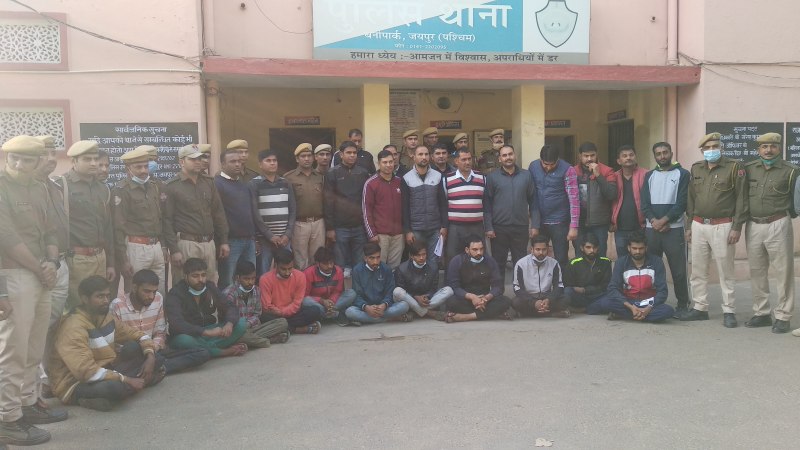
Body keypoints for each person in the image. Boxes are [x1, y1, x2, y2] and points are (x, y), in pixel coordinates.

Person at [0, 136, 64, 446]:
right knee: (13, 350)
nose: (19, 164)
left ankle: (26, 404)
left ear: (38, 161)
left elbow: (51, 230)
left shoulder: (39, 188)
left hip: (41, 273)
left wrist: (52, 262)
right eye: (14, 158)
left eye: (27, 159)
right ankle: (7, 418)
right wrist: (41, 268)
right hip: (14, 273)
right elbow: (6, 237)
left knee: (33, 347)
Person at [50, 276, 166, 412]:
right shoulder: (73, 327)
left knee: (154, 358)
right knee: (115, 388)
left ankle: (125, 390)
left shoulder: (105, 317)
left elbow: (138, 335)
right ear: (85, 299)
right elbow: (86, 372)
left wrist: (150, 357)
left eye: (107, 296)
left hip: (104, 370)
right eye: (100, 296)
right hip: (75, 383)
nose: (106, 300)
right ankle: (140, 383)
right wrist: (126, 379)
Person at [681, 132, 748, 328]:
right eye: (708, 148)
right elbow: (691, 198)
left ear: (721, 147)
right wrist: (689, 225)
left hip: (723, 225)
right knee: (698, 270)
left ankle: (729, 310)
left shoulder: (734, 167)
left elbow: (741, 199)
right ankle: (700, 308)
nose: (712, 150)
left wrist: (737, 227)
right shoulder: (696, 168)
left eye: (715, 146)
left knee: (725, 271)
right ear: (702, 150)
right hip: (699, 224)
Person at [744, 132, 798, 334]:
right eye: (764, 147)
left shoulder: (791, 171)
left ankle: (783, 315)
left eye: (773, 146)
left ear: (779, 148)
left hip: (778, 223)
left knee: (783, 271)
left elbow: (795, 199)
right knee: (757, 270)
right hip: (754, 225)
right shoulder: (749, 169)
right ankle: (762, 313)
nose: (768, 150)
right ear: (758, 149)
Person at [110, 269, 211, 374]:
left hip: (154, 350)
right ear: (135, 288)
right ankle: (155, 368)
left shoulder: (157, 298)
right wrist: (146, 353)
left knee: (202, 353)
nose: (151, 296)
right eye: (146, 291)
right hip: (132, 355)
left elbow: (160, 333)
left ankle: (154, 368)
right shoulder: (117, 305)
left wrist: (152, 351)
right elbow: (116, 343)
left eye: (154, 291)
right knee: (131, 346)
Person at [33, 135, 69, 399]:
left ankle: (47, 378)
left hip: (60, 262)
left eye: (53, 154)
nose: (50, 159)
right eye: (43, 154)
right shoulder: (19, 189)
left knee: (51, 323)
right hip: (35, 266)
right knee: (32, 327)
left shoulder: (56, 186)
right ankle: (32, 389)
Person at [163, 144, 230, 284]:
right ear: (182, 162)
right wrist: (174, 249)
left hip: (209, 243)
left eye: (199, 158)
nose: (198, 162)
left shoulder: (209, 182)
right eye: (193, 159)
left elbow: (218, 213)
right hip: (187, 244)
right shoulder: (171, 186)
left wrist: (224, 241)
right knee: (184, 285)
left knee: (209, 284)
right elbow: (167, 220)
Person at [61, 140, 116, 311]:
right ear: (74, 161)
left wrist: (110, 263)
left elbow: (108, 229)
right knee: (78, 307)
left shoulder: (103, 189)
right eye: (87, 159)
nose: (93, 163)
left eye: (95, 159)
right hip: (77, 259)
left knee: (100, 308)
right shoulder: (62, 185)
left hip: (100, 258)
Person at [640, 142, 691, 317]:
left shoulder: (683, 174)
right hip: (651, 229)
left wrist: (665, 220)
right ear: (654, 156)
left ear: (671, 153)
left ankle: (682, 304)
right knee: (651, 269)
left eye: (665, 152)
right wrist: (654, 221)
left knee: (678, 270)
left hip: (674, 230)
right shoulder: (649, 176)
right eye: (658, 153)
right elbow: (644, 203)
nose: (662, 156)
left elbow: (682, 202)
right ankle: (653, 302)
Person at [165, 258, 249, 357]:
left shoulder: (209, 287)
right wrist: (206, 332)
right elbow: (176, 323)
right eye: (195, 276)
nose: (200, 280)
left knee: (241, 324)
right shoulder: (175, 293)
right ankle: (221, 352)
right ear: (185, 276)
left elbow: (229, 306)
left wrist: (229, 323)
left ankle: (205, 350)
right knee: (184, 341)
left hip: (209, 332)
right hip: (189, 334)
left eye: (203, 275)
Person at [113, 145, 167, 294]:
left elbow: (160, 219)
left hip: (156, 247)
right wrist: (123, 260)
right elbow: (118, 227)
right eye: (138, 167)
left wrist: (163, 246)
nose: (144, 171)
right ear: (128, 169)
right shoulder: (121, 190)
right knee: (136, 294)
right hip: (136, 247)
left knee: (159, 293)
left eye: (146, 166)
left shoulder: (154, 187)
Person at [590, 231, 674, 322]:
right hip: (628, 301)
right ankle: (639, 315)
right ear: (629, 248)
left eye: (641, 248)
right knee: (606, 302)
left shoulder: (656, 262)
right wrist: (630, 307)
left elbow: (662, 291)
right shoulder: (621, 262)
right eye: (634, 248)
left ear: (646, 248)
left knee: (668, 311)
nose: (638, 251)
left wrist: (648, 308)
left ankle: (625, 315)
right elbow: (613, 288)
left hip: (648, 302)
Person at [485, 144, 539, 280]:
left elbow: (534, 202)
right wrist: (489, 227)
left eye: (510, 154)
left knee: (521, 263)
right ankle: (498, 292)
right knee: (498, 264)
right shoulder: (492, 177)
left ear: (515, 156)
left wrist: (535, 225)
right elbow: (487, 204)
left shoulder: (526, 175)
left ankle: (520, 291)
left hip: (520, 227)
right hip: (499, 228)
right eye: (504, 155)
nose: (508, 157)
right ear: (499, 159)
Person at [324, 141, 371, 277]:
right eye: (348, 153)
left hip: (359, 226)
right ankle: (340, 289)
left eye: (354, 153)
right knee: (339, 266)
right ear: (341, 154)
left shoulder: (363, 173)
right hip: (340, 227)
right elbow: (328, 202)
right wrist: (330, 228)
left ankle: (358, 290)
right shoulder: (332, 173)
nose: (352, 155)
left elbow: (366, 200)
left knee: (359, 266)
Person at [214, 148, 259, 288]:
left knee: (249, 279)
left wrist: (254, 238)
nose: (237, 164)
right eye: (233, 161)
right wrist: (222, 241)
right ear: (223, 164)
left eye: (239, 161)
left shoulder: (243, 184)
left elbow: (250, 213)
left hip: (249, 240)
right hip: (230, 242)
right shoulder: (217, 184)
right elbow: (217, 214)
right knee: (228, 281)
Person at [529, 145, 579, 267]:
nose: (549, 167)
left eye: (552, 164)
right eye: (545, 164)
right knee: (538, 257)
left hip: (560, 222)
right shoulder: (533, 167)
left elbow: (574, 199)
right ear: (540, 159)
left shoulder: (568, 169)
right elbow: (532, 195)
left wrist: (574, 226)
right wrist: (534, 224)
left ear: (558, 159)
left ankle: (561, 279)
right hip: (540, 221)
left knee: (561, 258)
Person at [402, 145, 448, 272]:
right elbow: (405, 207)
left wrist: (444, 226)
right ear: (414, 157)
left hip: (435, 229)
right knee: (416, 261)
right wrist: (407, 231)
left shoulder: (438, 176)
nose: (424, 157)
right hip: (416, 230)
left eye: (426, 154)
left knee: (434, 262)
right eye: (420, 154)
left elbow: (443, 203)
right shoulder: (406, 178)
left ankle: (433, 285)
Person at [445, 235, 512, 323]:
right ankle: (491, 314)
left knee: (505, 301)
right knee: (451, 302)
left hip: (485, 300)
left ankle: (465, 317)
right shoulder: (457, 261)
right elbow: (455, 287)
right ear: (467, 250)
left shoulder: (490, 261)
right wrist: (472, 297)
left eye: (481, 249)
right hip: (466, 299)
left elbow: (498, 286)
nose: (479, 252)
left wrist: (486, 298)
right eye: (475, 249)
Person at [221, 261, 290, 346]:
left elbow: (257, 315)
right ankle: (268, 340)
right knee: (238, 337)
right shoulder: (229, 294)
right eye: (246, 279)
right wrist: (242, 327)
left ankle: (251, 341)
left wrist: (247, 325)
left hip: (252, 328)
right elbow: (227, 320)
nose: (250, 282)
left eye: (253, 278)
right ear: (237, 278)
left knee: (283, 322)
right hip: (236, 330)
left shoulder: (256, 290)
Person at [250, 149, 296, 276]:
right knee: (264, 273)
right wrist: (269, 235)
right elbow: (255, 213)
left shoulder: (285, 182)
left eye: (274, 160)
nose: (272, 163)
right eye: (268, 161)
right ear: (260, 164)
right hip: (265, 239)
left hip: (284, 239)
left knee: (286, 272)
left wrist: (287, 234)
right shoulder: (254, 184)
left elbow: (293, 210)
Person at [260, 248, 323, 334]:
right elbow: (267, 306)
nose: (287, 272)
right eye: (283, 269)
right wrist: (278, 312)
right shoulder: (265, 279)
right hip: (275, 315)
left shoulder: (300, 276)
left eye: (290, 268)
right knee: (263, 317)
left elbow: (297, 303)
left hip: (292, 313)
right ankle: (299, 329)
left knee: (315, 311)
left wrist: (282, 312)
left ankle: (284, 328)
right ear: (276, 265)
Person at [345, 242, 410, 324]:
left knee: (404, 306)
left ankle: (371, 319)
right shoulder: (357, 270)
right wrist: (366, 307)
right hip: (366, 308)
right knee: (350, 312)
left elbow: (390, 291)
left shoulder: (386, 269)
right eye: (372, 258)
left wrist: (384, 305)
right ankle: (387, 319)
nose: (375, 261)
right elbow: (356, 294)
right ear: (365, 258)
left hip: (383, 308)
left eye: (378, 257)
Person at [284, 143, 326, 270]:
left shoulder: (320, 176)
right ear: (297, 159)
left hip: (318, 222)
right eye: (303, 156)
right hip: (299, 223)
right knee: (300, 259)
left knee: (318, 258)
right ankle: (302, 282)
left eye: (309, 155)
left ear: (313, 158)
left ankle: (315, 282)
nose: (307, 159)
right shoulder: (288, 177)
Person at [444, 147, 487, 269]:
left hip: (477, 227)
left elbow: (486, 202)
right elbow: (444, 204)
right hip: (455, 227)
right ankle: (452, 281)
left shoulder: (482, 178)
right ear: (456, 161)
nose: (467, 162)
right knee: (453, 259)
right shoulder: (447, 179)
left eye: (469, 159)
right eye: (464, 159)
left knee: (478, 257)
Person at [573, 142, 616, 258]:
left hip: (599, 222)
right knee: (580, 255)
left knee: (600, 255)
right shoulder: (573, 171)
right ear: (580, 156)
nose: (589, 159)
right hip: (579, 221)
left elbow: (611, 194)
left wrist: (598, 175)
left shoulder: (607, 171)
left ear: (597, 155)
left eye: (592, 155)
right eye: (586, 156)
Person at [362, 149, 404, 269]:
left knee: (395, 268)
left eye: (391, 162)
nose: (388, 165)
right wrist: (372, 233)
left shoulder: (400, 182)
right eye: (385, 162)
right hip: (380, 235)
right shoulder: (371, 183)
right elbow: (366, 211)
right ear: (379, 163)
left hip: (398, 234)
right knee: (379, 267)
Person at [511, 236, 570, 318]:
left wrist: (548, 299)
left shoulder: (554, 263)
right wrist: (534, 302)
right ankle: (550, 314)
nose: (541, 252)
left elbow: (559, 286)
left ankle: (529, 314)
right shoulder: (521, 264)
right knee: (516, 302)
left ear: (547, 249)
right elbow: (517, 288)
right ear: (532, 249)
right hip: (529, 297)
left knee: (566, 299)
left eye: (544, 249)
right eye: (538, 249)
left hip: (546, 297)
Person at [393, 241, 453, 320]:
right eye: (418, 255)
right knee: (397, 291)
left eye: (423, 254)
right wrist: (415, 297)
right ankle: (430, 313)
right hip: (410, 299)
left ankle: (416, 311)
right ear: (412, 256)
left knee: (449, 290)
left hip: (426, 300)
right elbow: (402, 290)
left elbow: (433, 289)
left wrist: (427, 296)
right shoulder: (401, 269)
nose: (421, 258)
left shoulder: (433, 267)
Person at [303, 246, 357, 324]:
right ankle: (335, 314)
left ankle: (326, 315)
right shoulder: (308, 273)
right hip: (317, 303)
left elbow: (338, 291)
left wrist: (331, 301)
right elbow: (305, 296)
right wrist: (322, 301)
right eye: (325, 264)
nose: (329, 266)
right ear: (317, 263)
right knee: (305, 301)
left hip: (332, 303)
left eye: (331, 263)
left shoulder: (338, 271)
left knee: (351, 293)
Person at [610, 145, 647, 258]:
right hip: (620, 229)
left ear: (635, 157)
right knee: (623, 259)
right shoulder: (613, 177)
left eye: (631, 155)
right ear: (618, 160)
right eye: (624, 156)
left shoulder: (646, 174)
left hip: (641, 227)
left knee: (641, 258)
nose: (628, 158)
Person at [563, 234, 612, 313]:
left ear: (598, 248)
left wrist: (585, 290)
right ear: (582, 248)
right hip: (581, 297)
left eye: (594, 247)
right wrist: (579, 291)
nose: (592, 250)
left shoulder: (605, 262)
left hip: (598, 296)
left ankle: (585, 309)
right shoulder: (573, 263)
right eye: (588, 247)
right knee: (567, 291)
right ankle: (593, 308)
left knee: (612, 296)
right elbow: (569, 285)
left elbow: (606, 285)